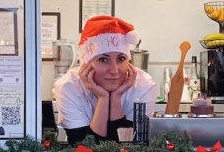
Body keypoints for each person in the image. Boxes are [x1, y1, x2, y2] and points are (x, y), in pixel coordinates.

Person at [53, 15, 157, 143]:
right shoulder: (69, 87)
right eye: (103, 59)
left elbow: (132, 147)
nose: (114, 70)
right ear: (86, 63)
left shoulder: (144, 86)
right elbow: (82, 147)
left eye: (121, 59)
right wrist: (103, 98)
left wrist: (116, 98)